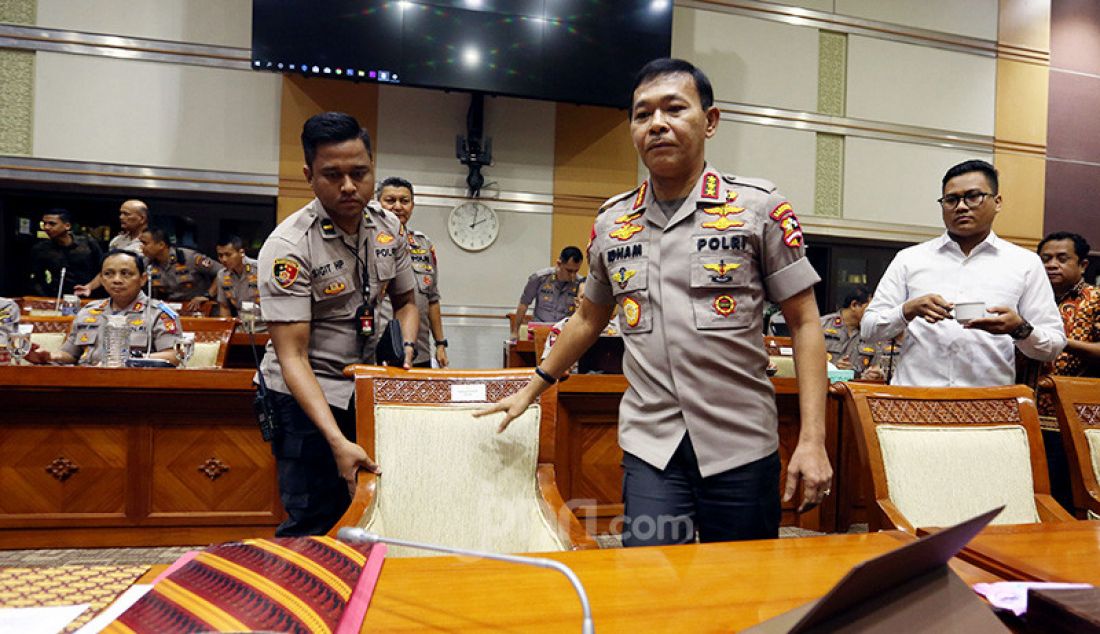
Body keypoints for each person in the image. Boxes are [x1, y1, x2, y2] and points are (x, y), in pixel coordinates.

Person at [479, 58, 832, 546]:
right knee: (651, 572)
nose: (657, 124)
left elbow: (806, 323)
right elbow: (587, 318)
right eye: (643, 115)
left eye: (674, 108)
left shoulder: (758, 208)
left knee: (741, 588)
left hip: (740, 443)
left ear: (710, 121)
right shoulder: (612, 221)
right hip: (652, 446)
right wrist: (533, 385)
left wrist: (813, 440)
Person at [258, 111, 419, 536]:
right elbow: (291, 357)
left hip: (368, 389)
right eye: (333, 175)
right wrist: (336, 440)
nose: (349, 186)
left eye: (359, 173)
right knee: (314, 518)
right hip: (307, 396)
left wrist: (403, 349)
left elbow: (407, 301)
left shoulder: (388, 228)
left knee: (374, 512)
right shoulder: (289, 246)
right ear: (309, 175)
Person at [861, 160, 1066, 386]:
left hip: (988, 406)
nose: (961, 206)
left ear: (997, 202)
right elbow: (869, 329)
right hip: (916, 400)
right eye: (951, 200)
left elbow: (1053, 346)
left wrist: (1019, 328)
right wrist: (907, 310)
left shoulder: (1024, 263)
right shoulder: (910, 259)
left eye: (973, 196)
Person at [24, 250, 182, 366]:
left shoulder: (159, 313)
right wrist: (48, 356)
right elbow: (70, 354)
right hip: (86, 386)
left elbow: (173, 356)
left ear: (142, 279)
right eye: (108, 274)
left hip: (135, 388)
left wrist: (130, 360)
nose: (116, 280)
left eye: (126, 274)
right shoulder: (89, 311)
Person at [375, 176, 449, 368]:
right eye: (390, 201)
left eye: (404, 201)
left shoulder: (423, 244)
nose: (398, 206)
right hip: (378, 348)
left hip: (419, 348)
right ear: (377, 204)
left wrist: (440, 344)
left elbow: (432, 298)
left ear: (412, 206)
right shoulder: (366, 242)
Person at [74, 199, 148, 296]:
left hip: (142, 293)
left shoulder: (151, 242)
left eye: (126, 214)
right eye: (121, 213)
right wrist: (89, 286)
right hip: (115, 292)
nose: (121, 217)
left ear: (141, 219)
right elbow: (109, 270)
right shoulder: (117, 241)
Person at [139, 227, 221, 312]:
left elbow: (222, 272)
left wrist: (208, 295)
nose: (141, 247)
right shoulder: (146, 263)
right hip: (168, 309)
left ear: (161, 245)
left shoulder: (190, 258)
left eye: (145, 243)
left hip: (198, 308)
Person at [510, 246, 583, 341]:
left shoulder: (580, 283)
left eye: (576, 271)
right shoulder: (540, 278)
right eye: (569, 271)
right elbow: (524, 304)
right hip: (540, 330)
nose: (572, 276)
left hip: (564, 333)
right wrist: (515, 332)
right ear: (559, 264)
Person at [29, 209, 103, 297]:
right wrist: (46, 297)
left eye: (52, 224)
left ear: (67, 226)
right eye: (44, 223)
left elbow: (103, 270)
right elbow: (36, 278)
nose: (46, 227)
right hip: (56, 297)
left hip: (88, 295)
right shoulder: (41, 249)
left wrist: (90, 287)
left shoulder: (88, 243)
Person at [819, 285, 871, 373]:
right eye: (870, 308)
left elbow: (875, 369)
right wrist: (833, 368)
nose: (873, 313)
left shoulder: (871, 334)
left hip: (855, 385)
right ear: (854, 305)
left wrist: (853, 372)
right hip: (823, 383)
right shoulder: (822, 325)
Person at [214, 234, 262, 323]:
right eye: (220, 255)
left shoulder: (260, 269)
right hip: (241, 326)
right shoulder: (222, 275)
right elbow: (224, 306)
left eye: (228, 255)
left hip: (265, 327)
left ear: (241, 253)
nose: (224, 259)